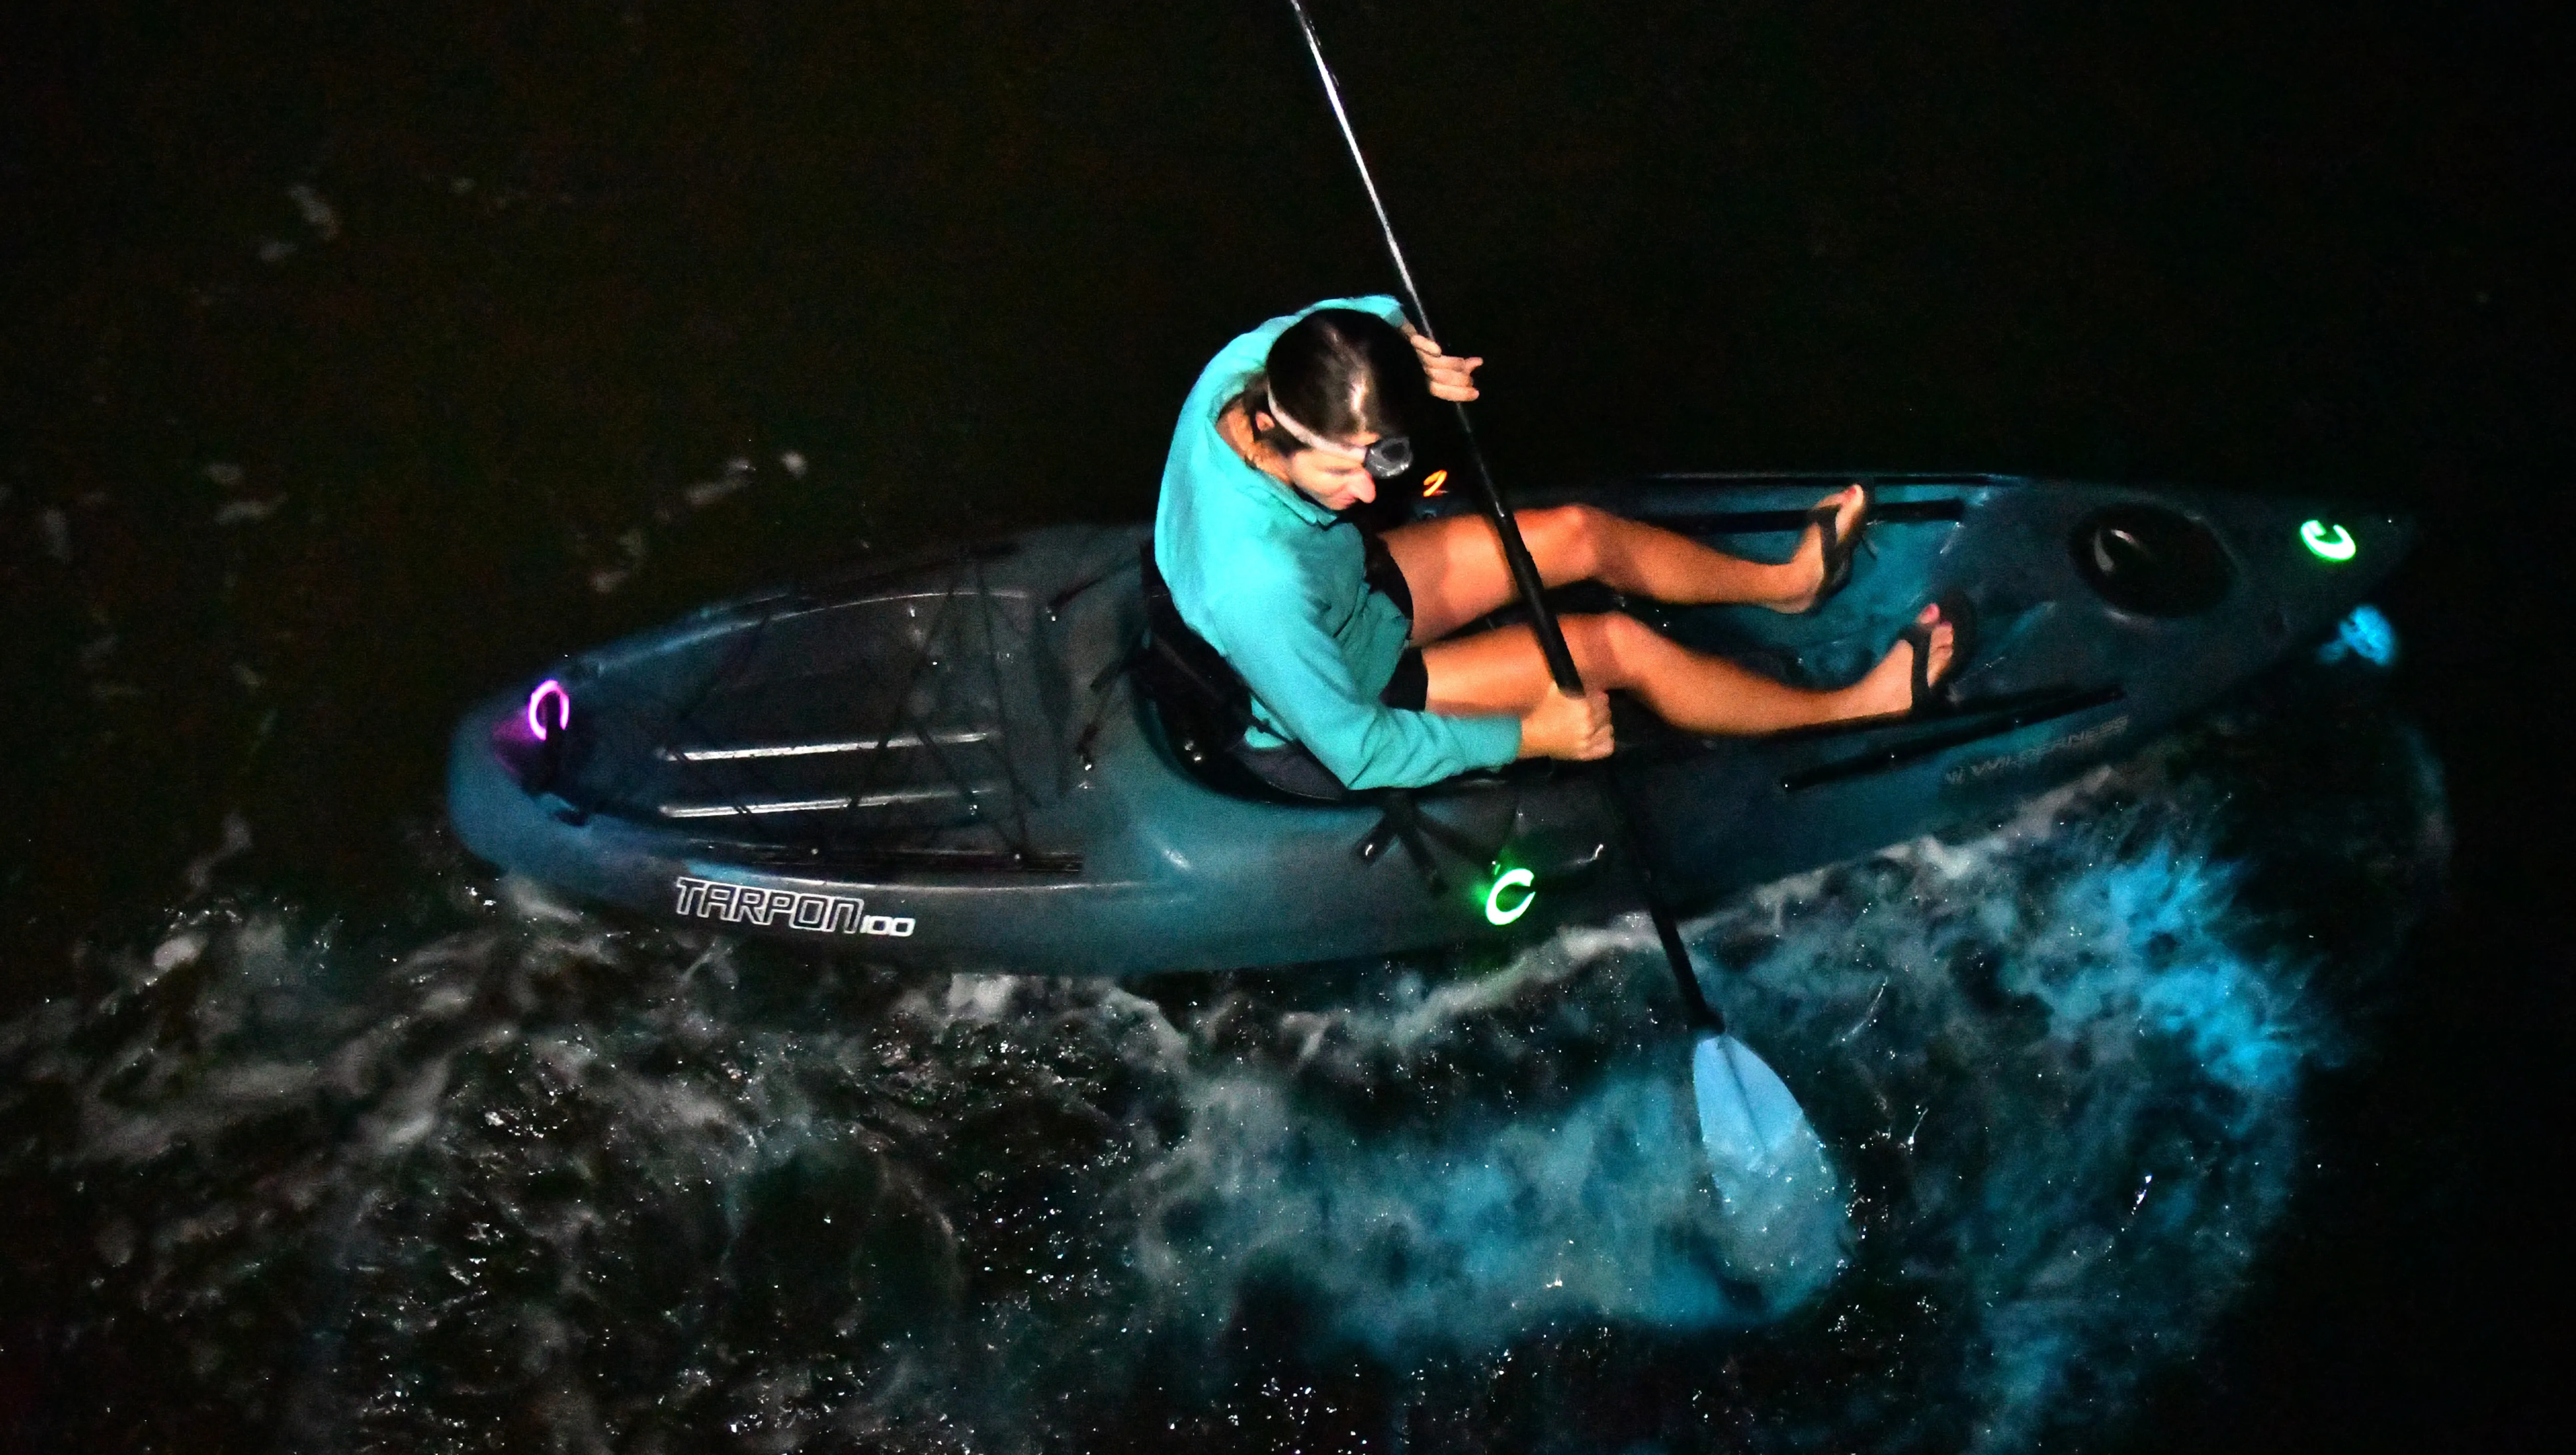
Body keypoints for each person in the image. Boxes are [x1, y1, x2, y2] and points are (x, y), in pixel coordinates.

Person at [1152, 294, 1957, 795]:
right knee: (1611, 645)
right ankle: (1858, 707)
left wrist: (1407, 349)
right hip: (1347, 685)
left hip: (1345, 592)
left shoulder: (1250, 368)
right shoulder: (1253, 581)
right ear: (1270, 428)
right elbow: (1360, 750)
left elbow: (1355, 312)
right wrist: (1531, 735)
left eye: (1379, 456)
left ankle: (1787, 586)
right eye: (1339, 470)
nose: (1366, 492)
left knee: (1577, 532)